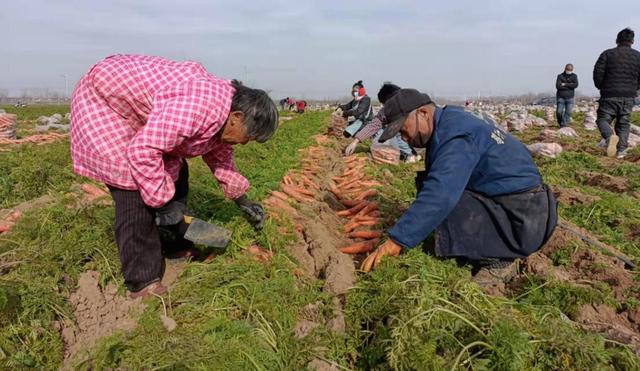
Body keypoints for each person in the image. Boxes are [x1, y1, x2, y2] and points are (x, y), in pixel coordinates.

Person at [70, 54, 278, 298]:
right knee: (132, 189)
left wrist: (243, 200)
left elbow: (220, 157)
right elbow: (143, 150)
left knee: (177, 175)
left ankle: (176, 245)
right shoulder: (200, 107)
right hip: (105, 102)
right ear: (237, 118)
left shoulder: (226, 115)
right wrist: (161, 201)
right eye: (249, 137)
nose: (245, 143)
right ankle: (142, 280)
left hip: (144, 111)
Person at [360, 89, 557, 289]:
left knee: (443, 198)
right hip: (521, 206)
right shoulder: (449, 122)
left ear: (423, 113)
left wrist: (397, 240)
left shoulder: (456, 135)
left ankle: (500, 259)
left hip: (522, 219)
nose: (403, 138)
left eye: (403, 130)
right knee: (431, 184)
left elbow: (441, 194)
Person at [593, 28, 640, 159]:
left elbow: (598, 73)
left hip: (609, 94)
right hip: (628, 96)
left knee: (603, 119)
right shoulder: (638, 56)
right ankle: (621, 151)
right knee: (623, 123)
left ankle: (609, 137)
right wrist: (634, 89)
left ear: (617, 40)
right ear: (632, 41)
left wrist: (601, 86)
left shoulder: (607, 54)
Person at [344, 83, 420, 163]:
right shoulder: (386, 111)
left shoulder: (414, 106)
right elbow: (374, 125)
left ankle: (411, 154)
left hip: (420, 143)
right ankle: (410, 154)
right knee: (392, 133)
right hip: (413, 142)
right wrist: (355, 141)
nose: (386, 106)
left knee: (396, 132)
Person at [555, 63, 579, 127]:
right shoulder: (560, 76)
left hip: (570, 97)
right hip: (561, 97)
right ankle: (560, 122)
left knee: (568, 112)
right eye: (568, 70)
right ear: (565, 69)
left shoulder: (574, 76)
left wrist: (565, 84)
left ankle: (563, 124)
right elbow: (558, 86)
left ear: (572, 70)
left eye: (570, 70)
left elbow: (575, 85)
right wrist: (570, 85)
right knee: (559, 112)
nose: (569, 71)